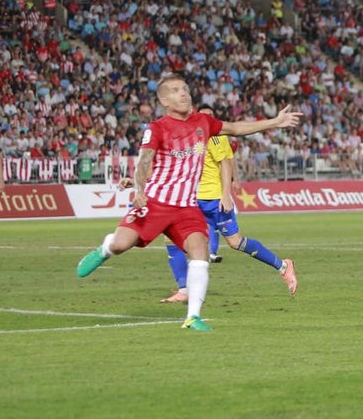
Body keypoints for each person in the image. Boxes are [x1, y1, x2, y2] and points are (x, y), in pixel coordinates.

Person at [76, 75, 302, 331]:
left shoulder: (203, 122)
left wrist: (275, 121)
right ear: (164, 100)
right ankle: (104, 249)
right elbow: (144, 161)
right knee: (121, 244)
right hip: (156, 203)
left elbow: (237, 128)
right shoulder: (157, 127)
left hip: (186, 208)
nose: (183, 93)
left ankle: (193, 316)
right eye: (175, 90)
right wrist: (139, 188)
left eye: (184, 88)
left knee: (200, 251)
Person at [156, 103, 298, 304]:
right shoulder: (183, 135)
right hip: (193, 200)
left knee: (235, 242)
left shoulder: (214, 136)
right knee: (172, 239)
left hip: (214, 199)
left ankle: (283, 265)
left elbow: (225, 163)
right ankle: (184, 289)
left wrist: (225, 193)